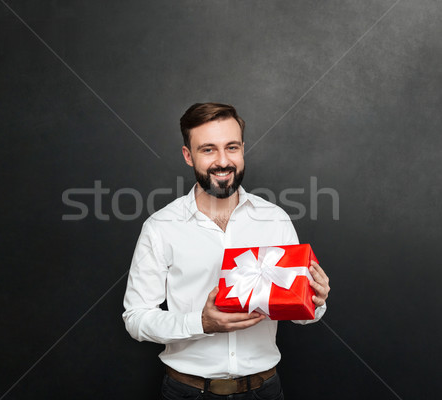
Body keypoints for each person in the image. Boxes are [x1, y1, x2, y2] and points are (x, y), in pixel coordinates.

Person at [123, 103, 330, 399]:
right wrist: (202, 323)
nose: (223, 161)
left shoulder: (275, 219)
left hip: (264, 391)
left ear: (243, 149)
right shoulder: (160, 227)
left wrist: (316, 301)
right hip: (188, 391)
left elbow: (300, 313)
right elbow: (136, 318)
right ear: (188, 155)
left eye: (231, 147)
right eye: (208, 150)